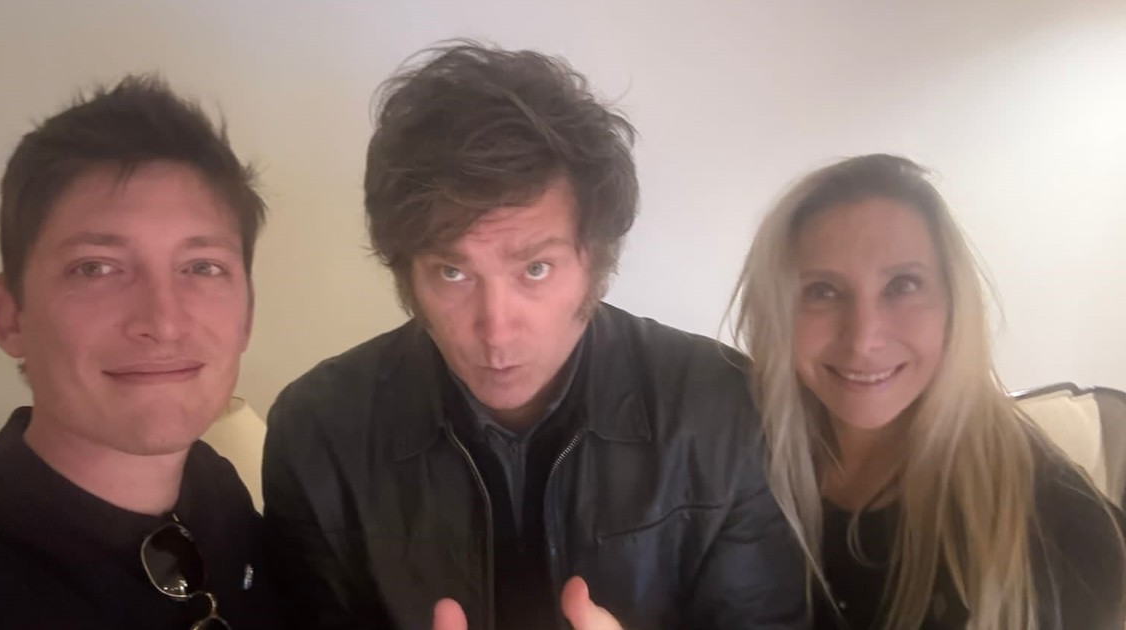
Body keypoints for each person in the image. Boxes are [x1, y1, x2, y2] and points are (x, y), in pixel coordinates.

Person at [262, 40, 806, 630]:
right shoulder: (318, 431)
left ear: (596, 262)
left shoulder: (723, 410)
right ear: (407, 274)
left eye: (535, 268)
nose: (496, 329)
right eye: (452, 272)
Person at [0, 75, 282, 629]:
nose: (163, 322)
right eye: (95, 268)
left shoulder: (218, 490)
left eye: (202, 267)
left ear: (248, 315)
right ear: (9, 315)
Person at [730, 153, 1126, 629]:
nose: (863, 339)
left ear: (954, 304)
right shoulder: (730, 462)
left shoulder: (1059, 525)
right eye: (822, 291)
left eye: (903, 285)